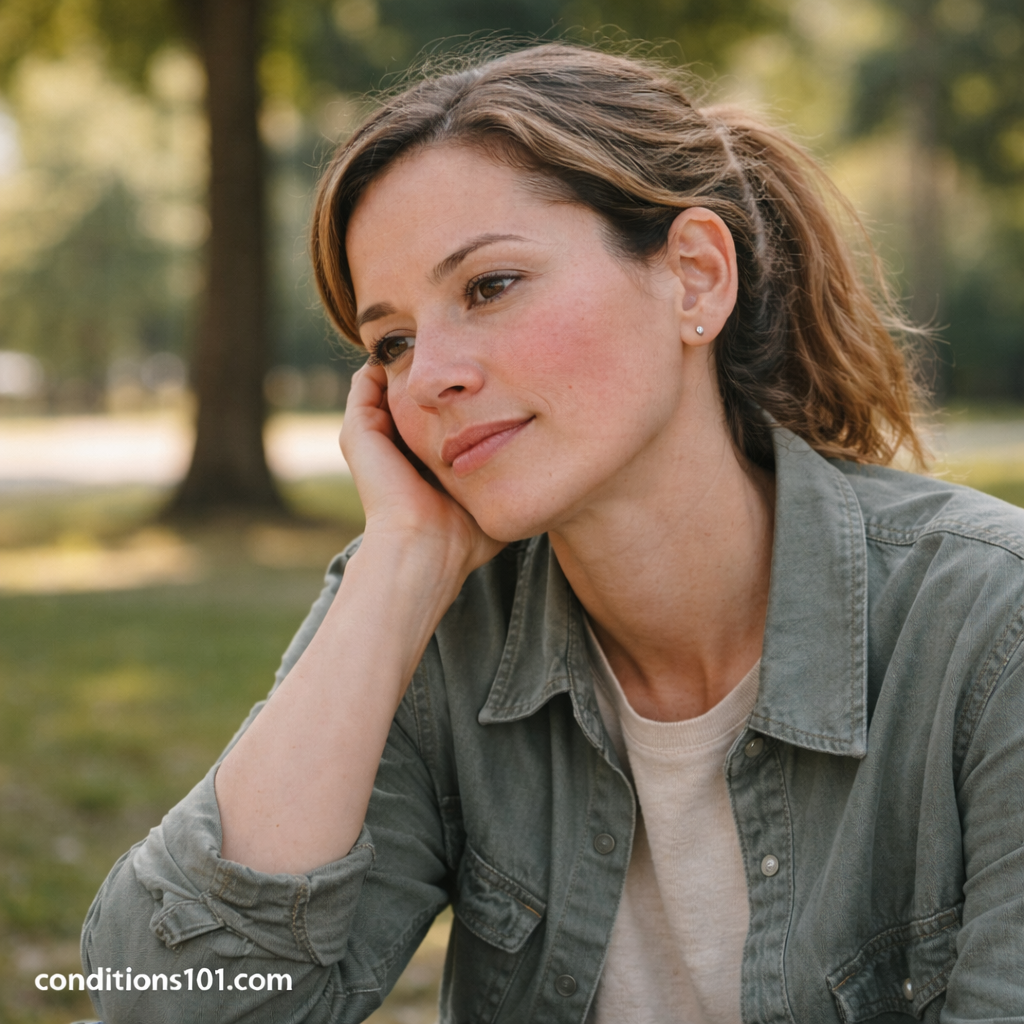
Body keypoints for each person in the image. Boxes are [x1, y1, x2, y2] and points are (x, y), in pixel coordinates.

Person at [81, 44, 1023, 1024]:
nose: (431, 374)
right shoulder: (433, 628)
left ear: (695, 278)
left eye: (489, 286)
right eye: (391, 342)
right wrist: (398, 562)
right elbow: (168, 1005)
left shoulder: (991, 628)